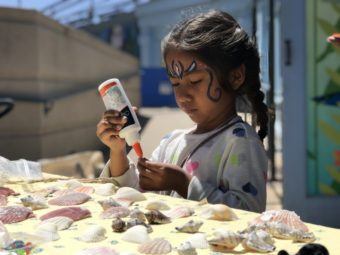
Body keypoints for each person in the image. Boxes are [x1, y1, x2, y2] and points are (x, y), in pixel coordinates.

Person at [97, 10, 268, 212]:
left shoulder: (241, 143)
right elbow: (136, 196)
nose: (182, 95)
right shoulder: (172, 141)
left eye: (195, 81)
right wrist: (117, 151)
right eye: (175, 83)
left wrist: (184, 184)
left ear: (235, 77)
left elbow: (249, 213)